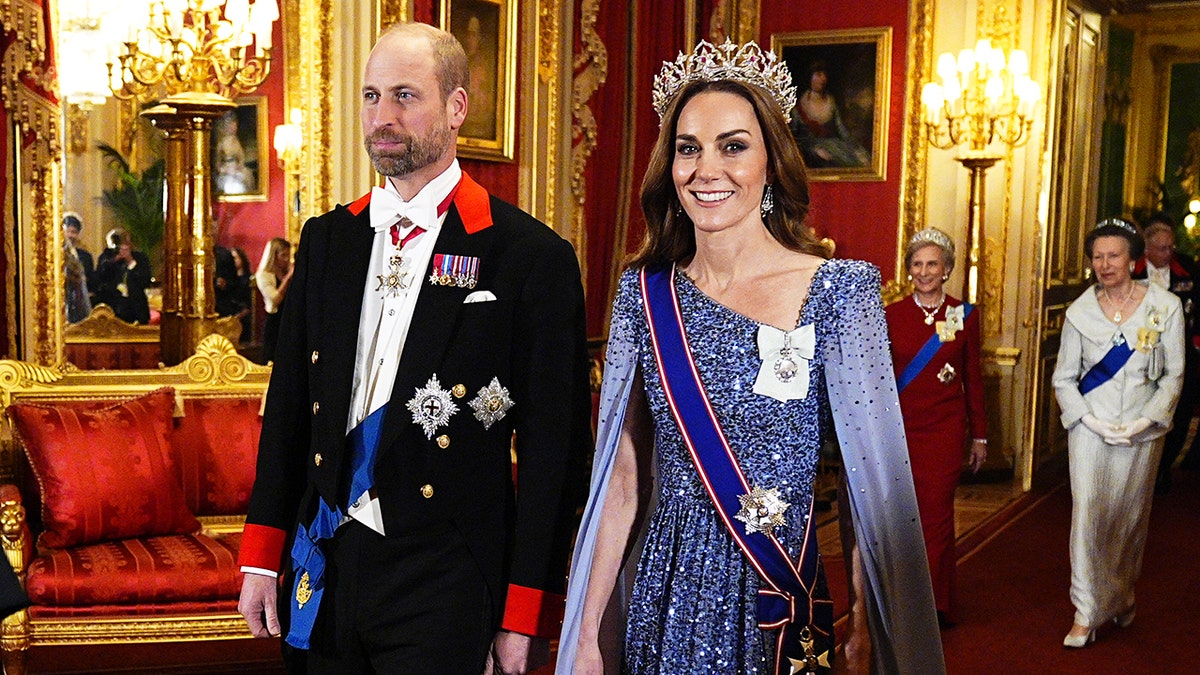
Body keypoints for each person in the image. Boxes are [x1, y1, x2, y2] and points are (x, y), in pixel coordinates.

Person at [558, 39, 944, 674]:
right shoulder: (643, 292)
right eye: (689, 148)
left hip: (782, 590)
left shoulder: (840, 292)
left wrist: (867, 621)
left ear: (771, 161)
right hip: (668, 591)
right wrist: (584, 633)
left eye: (733, 145)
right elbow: (621, 479)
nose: (707, 169)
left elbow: (865, 482)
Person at [236, 22, 592, 675]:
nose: (383, 116)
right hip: (324, 561)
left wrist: (525, 613)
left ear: (457, 108)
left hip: (445, 573)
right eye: (371, 97)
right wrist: (262, 552)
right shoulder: (327, 241)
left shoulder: (527, 257)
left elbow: (554, 454)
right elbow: (288, 406)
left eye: (405, 95)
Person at [1052, 217, 1184, 648]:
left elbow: (1172, 375)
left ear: (1132, 259)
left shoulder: (1164, 307)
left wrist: (1146, 420)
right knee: (1088, 515)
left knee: (1128, 520)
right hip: (1090, 428)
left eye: (1113, 255)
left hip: (1142, 433)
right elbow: (1064, 379)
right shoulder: (1079, 312)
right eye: (1097, 257)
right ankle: (1086, 610)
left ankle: (1123, 593)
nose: (1105, 264)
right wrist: (1087, 420)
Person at [885, 227, 987, 628]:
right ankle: (901, 599)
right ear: (908, 269)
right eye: (916, 264)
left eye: (932, 264)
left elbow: (972, 377)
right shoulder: (889, 314)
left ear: (947, 269)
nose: (924, 271)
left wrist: (979, 434)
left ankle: (935, 601)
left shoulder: (964, 315)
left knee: (937, 515)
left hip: (944, 430)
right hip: (902, 428)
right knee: (899, 516)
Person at [1132, 213, 1200, 492]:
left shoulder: (1186, 268)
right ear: (1147, 249)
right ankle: (1141, 469)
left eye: (1171, 247)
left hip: (1181, 352)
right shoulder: (1131, 270)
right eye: (1163, 248)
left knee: (1179, 412)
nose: (1169, 253)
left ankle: (1163, 468)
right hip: (1139, 353)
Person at [790, 60, 869, 169]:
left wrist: (856, 149)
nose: (823, 79)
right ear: (810, 78)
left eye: (824, 75)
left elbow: (842, 130)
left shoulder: (831, 102)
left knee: (859, 160)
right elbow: (793, 137)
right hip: (811, 151)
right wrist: (813, 149)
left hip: (834, 146)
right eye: (818, 75)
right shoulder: (799, 107)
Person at [94, 227, 152, 325]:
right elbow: (100, 279)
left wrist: (130, 261)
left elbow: (145, 280)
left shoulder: (140, 258)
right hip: (114, 308)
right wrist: (114, 260)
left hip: (136, 309)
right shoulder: (107, 257)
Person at [254, 237, 292, 364]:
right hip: (275, 320)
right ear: (274, 256)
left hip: (290, 319)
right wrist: (288, 278)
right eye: (283, 255)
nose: (287, 259)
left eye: (288, 255)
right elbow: (275, 299)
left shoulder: (286, 271)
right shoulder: (263, 275)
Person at [215, 245, 253, 343]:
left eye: (235, 258)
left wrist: (235, 318)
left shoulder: (246, 280)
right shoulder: (229, 279)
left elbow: (247, 304)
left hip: (239, 317)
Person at [62, 212, 94, 323]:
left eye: (74, 232)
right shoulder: (55, 255)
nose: (70, 235)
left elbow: (91, 280)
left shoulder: (85, 256)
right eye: (68, 231)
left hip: (80, 302)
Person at [214, 111, 255, 196]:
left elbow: (241, 156)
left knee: (246, 176)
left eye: (235, 126)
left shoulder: (236, 141)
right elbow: (217, 162)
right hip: (225, 170)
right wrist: (223, 170)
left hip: (236, 168)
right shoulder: (221, 143)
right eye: (232, 126)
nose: (234, 128)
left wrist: (239, 166)